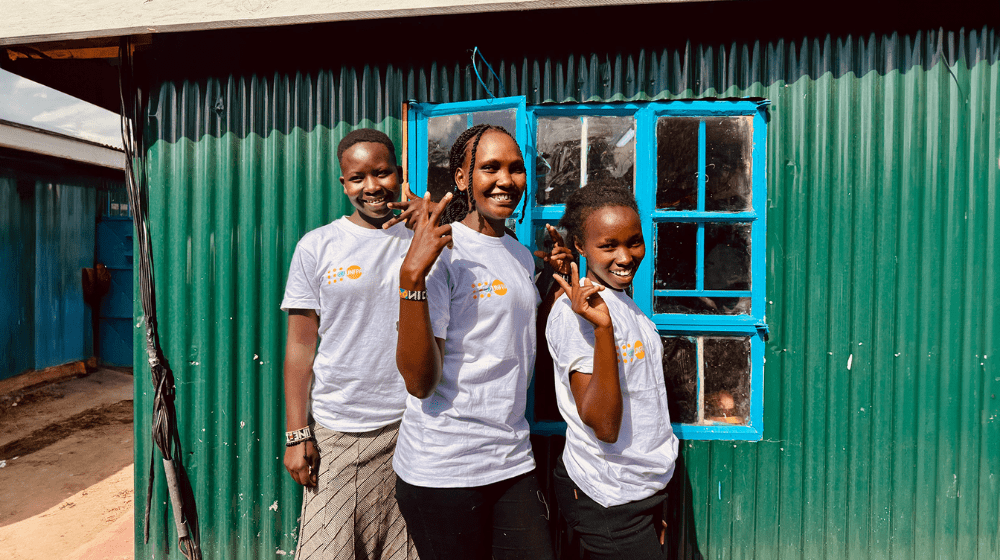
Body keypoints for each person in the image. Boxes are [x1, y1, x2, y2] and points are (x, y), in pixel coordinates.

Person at [392, 124, 569, 560]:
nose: (506, 180)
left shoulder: (520, 254)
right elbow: (419, 383)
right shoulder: (443, 251)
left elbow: (516, 342)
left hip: (511, 457)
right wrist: (412, 278)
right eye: (490, 167)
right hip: (445, 467)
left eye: (516, 168)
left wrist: (553, 283)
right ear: (461, 178)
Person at [281, 128, 421, 560]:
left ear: (399, 173)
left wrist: (434, 224)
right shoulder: (318, 246)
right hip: (340, 431)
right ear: (343, 184)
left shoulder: (427, 238)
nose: (372, 186)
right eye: (358, 178)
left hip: (415, 428)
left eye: (382, 173)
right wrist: (296, 434)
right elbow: (300, 348)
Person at [546, 182, 679, 560]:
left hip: (640, 489)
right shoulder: (576, 315)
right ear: (580, 246)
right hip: (609, 495)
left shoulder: (622, 301)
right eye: (608, 246)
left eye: (634, 242)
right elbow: (604, 426)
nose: (625, 256)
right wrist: (603, 330)